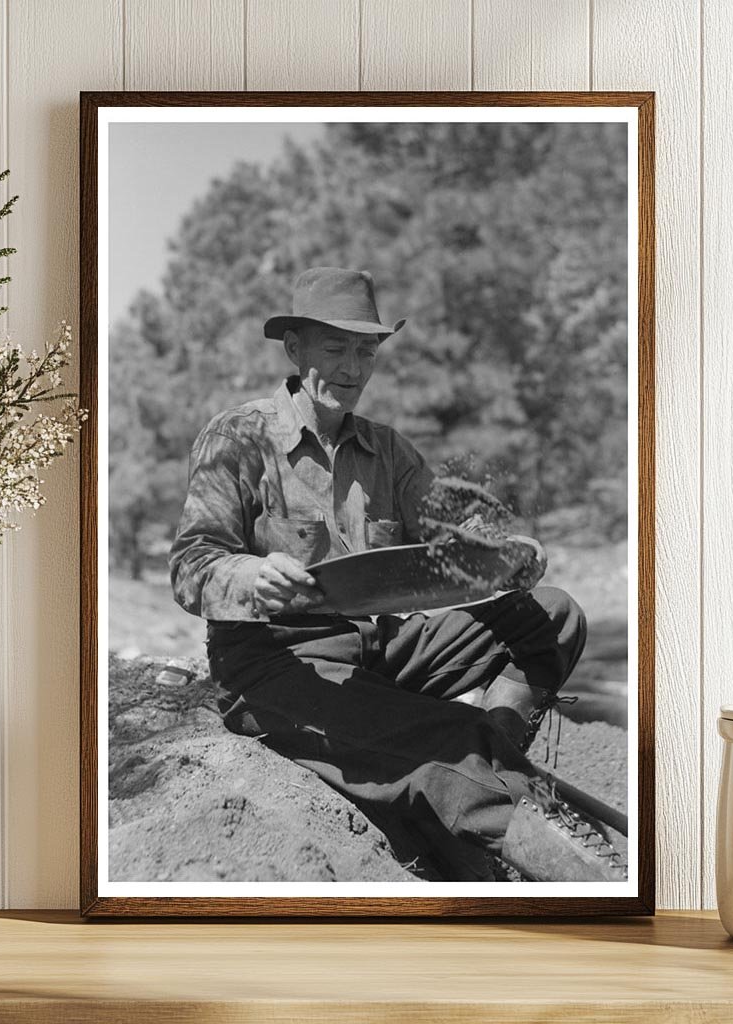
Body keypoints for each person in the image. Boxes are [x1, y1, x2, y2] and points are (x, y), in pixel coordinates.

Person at [169, 266, 624, 882]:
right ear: (294, 348)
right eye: (336, 348)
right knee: (445, 744)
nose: (354, 367)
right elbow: (192, 563)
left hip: (378, 652)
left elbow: (455, 539)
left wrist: (507, 552)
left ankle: (499, 753)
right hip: (273, 669)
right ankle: (567, 869)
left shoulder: (388, 450)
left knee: (553, 613)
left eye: (367, 349)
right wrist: (253, 575)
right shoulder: (239, 437)